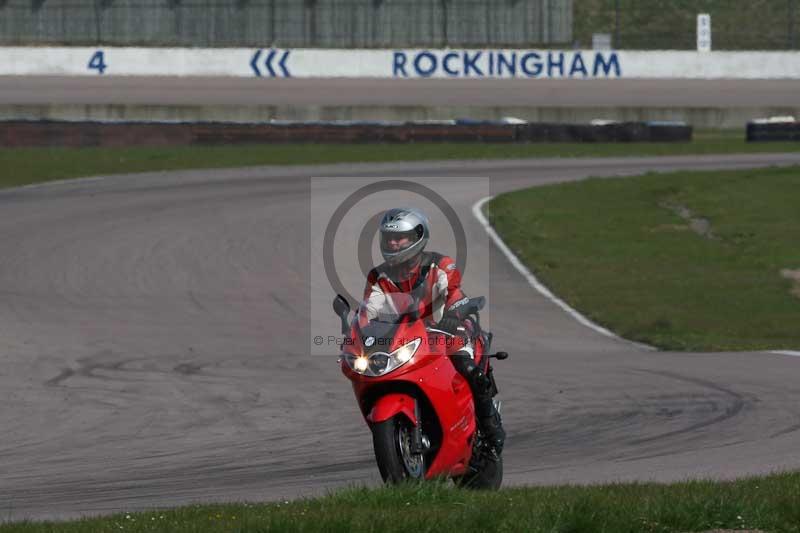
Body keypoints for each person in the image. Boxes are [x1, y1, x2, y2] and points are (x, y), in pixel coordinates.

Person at [362, 207, 505, 455]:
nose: (393, 243)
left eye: (400, 238)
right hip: (406, 338)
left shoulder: (440, 265)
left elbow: (453, 292)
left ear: (418, 237)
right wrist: (360, 332)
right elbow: (368, 310)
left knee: (468, 367)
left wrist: (453, 314)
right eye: (388, 238)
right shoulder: (379, 276)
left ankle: (492, 428)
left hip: (446, 331)